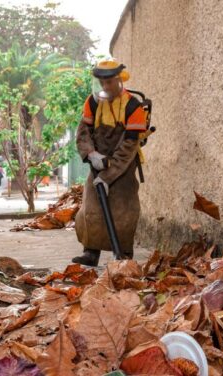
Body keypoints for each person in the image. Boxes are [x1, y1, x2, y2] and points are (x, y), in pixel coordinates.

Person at [72, 59, 147, 266]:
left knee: (124, 209)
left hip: (123, 164)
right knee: (91, 208)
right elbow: (83, 132)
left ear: (118, 81)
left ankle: (122, 254)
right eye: (102, 83)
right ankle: (90, 252)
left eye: (109, 83)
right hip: (98, 160)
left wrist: (109, 174)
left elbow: (129, 146)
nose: (105, 87)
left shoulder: (133, 106)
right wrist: (91, 155)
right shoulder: (93, 102)